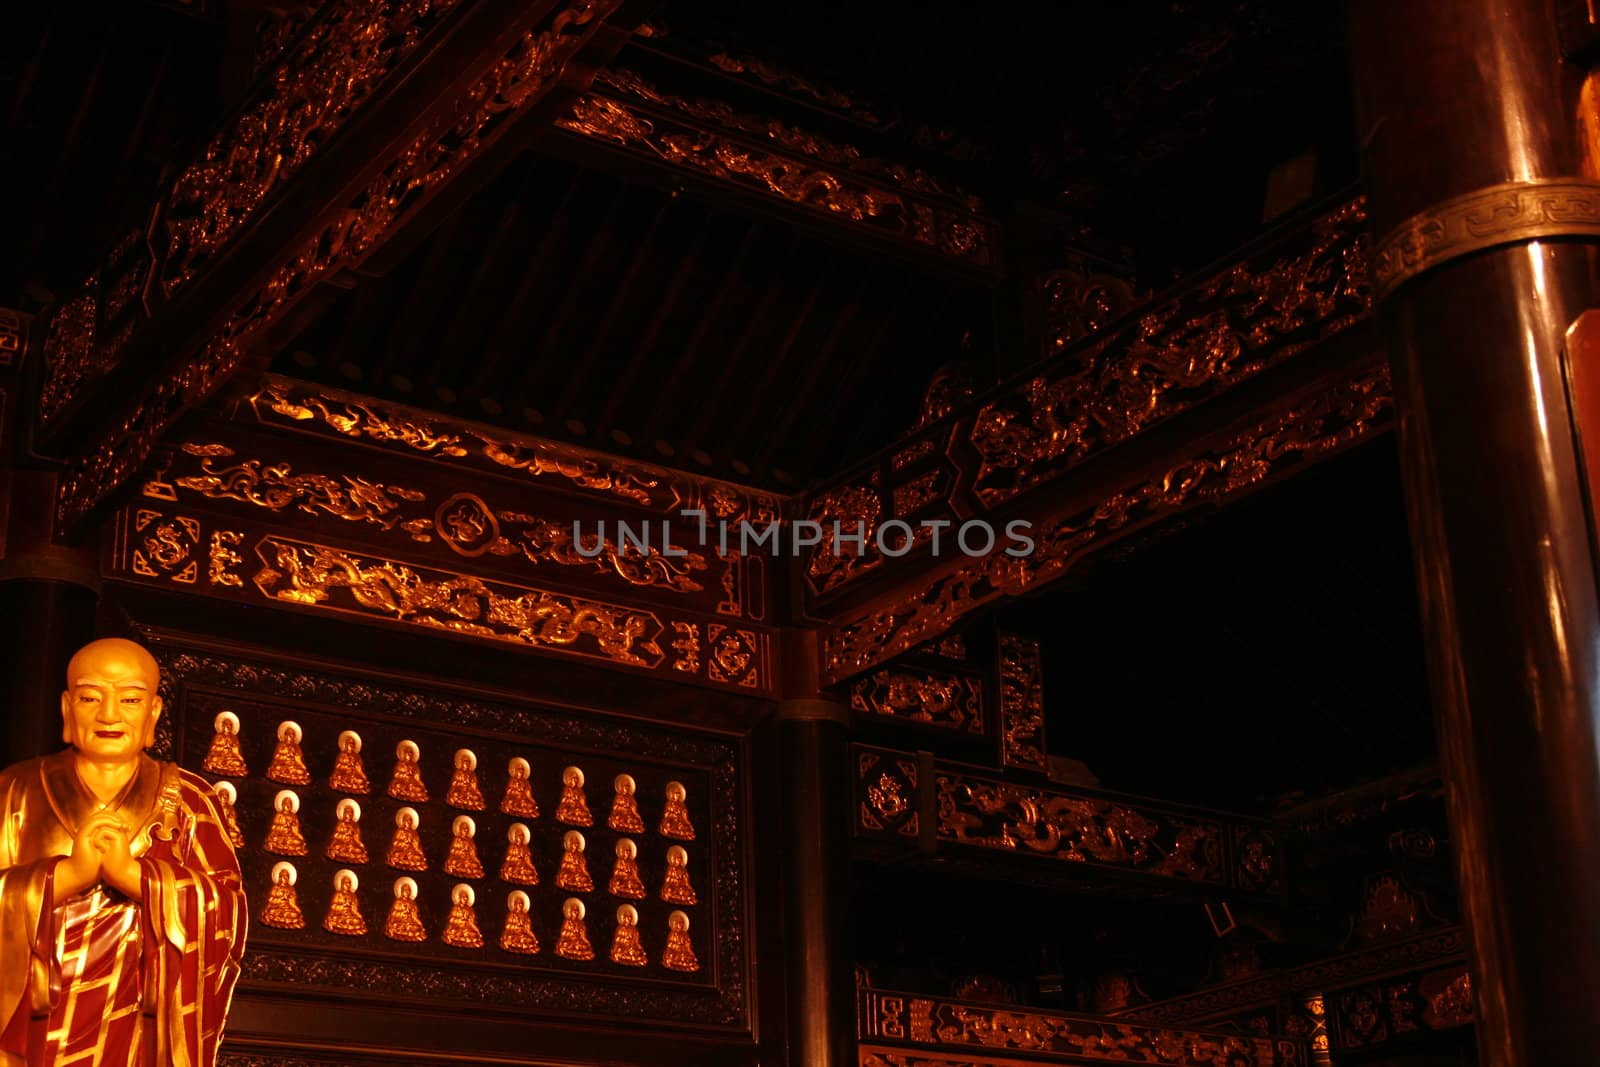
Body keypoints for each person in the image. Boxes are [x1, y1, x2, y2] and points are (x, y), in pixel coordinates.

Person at [0, 637, 246, 1066]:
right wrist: (68, 876)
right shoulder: (14, 790)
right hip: (39, 1019)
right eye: (90, 697)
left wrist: (136, 878)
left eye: (130, 699)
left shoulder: (190, 799)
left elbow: (227, 908)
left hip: (139, 1020)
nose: (109, 714)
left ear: (153, 712)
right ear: (66, 707)